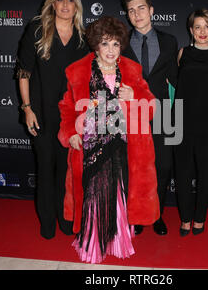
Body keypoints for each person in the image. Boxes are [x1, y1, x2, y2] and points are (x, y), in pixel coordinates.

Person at [58, 16, 160, 264]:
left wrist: (134, 95)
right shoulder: (78, 71)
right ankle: (93, 242)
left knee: (117, 192)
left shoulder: (131, 71)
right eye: (105, 44)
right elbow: (67, 107)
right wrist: (71, 132)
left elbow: (151, 108)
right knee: (92, 193)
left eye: (116, 44)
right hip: (91, 144)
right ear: (96, 45)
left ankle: (116, 240)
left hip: (121, 144)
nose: (111, 50)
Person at [16, 0, 89, 240]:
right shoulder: (37, 31)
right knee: (45, 170)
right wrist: (27, 109)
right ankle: (47, 221)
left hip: (70, 118)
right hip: (42, 115)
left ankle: (64, 217)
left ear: (77, 6)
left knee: (66, 172)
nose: (66, 4)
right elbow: (24, 71)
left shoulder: (83, 37)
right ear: (53, 4)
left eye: (71, 0)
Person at [121, 0, 178, 236]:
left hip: (163, 110)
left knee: (164, 167)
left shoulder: (169, 41)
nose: (137, 14)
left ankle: (157, 215)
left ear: (151, 10)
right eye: (131, 10)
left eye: (141, 8)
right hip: (131, 113)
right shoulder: (120, 42)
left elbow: (177, 80)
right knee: (134, 167)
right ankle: (137, 215)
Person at [174, 9, 208, 237]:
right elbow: (173, 86)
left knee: (205, 171)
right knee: (182, 172)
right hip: (181, 120)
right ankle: (185, 218)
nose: (202, 32)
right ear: (191, 30)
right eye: (198, 27)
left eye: (207, 26)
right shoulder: (182, 53)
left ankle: (200, 218)